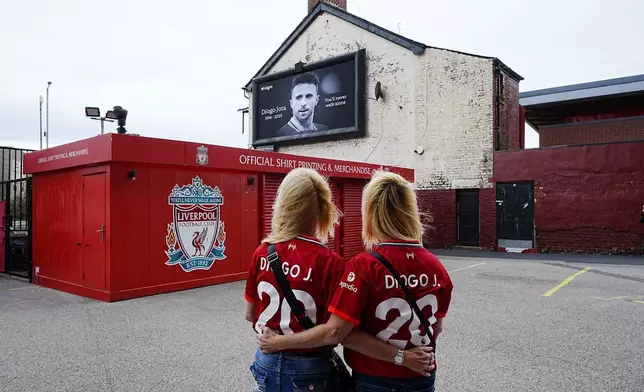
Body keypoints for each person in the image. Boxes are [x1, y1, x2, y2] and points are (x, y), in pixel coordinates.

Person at [258, 170, 453, 392]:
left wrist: (400, 357)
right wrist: (408, 356)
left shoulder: (364, 267)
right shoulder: (436, 267)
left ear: (371, 214)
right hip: (421, 377)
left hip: (375, 378)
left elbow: (343, 334)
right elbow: (435, 328)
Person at [275, 72, 329, 137]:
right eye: (298, 98)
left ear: (316, 100)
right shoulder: (280, 135)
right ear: (291, 104)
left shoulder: (324, 130)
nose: (303, 103)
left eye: (308, 96)